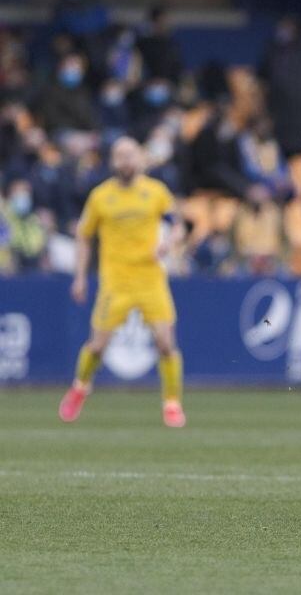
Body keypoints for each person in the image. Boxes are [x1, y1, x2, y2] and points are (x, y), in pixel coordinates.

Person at [58, 136, 186, 428]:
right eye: (119, 156)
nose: (125, 161)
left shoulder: (155, 192)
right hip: (115, 281)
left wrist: (168, 243)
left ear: (140, 159)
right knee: (98, 346)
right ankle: (80, 387)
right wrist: (79, 277)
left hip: (150, 277)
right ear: (112, 161)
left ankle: (172, 403)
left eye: (130, 155)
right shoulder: (101, 196)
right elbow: (83, 235)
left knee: (166, 342)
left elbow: (177, 225)